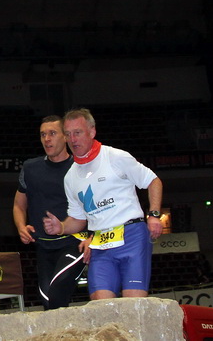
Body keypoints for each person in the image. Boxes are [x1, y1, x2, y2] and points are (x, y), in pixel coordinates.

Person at [43, 108, 163, 301]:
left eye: (78, 132)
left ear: (92, 131)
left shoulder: (116, 157)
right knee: (101, 305)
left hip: (132, 236)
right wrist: (62, 227)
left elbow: (153, 181)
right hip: (100, 244)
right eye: (68, 134)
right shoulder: (70, 177)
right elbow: (78, 219)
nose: (73, 139)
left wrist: (154, 215)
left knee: (134, 303)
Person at [13, 115, 88, 310]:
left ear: (65, 136)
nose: (47, 139)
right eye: (43, 135)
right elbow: (19, 204)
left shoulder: (80, 167)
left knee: (57, 292)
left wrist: (93, 237)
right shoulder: (30, 168)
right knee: (48, 303)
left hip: (75, 243)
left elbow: (96, 206)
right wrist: (21, 226)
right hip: (43, 247)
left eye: (52, 133)